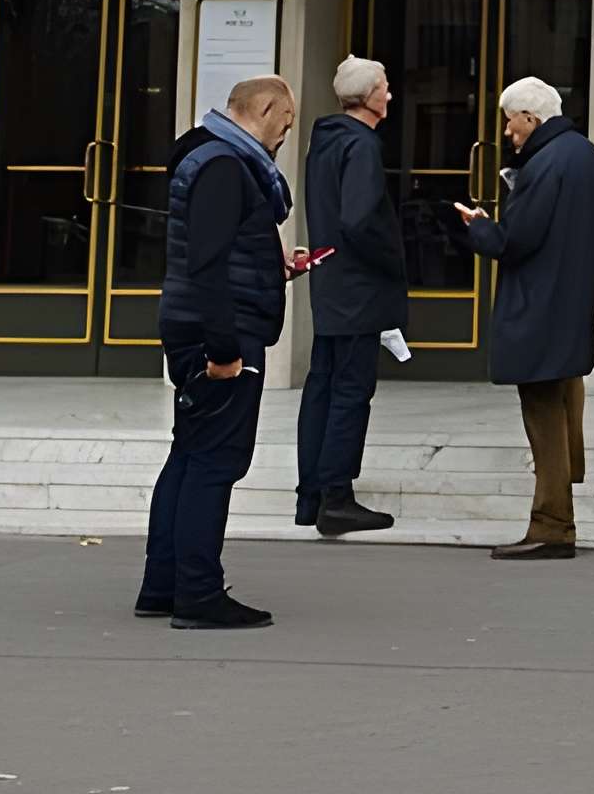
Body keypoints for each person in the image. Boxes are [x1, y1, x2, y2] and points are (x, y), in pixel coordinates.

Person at [139, 74, 299, 630]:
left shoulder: (212, 158)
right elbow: (206, 263)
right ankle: (199, 595)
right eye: (286, 119)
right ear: (265, 108)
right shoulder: (225, 166)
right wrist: (226, 349)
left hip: (200, 323)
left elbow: (215, 250)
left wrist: (271, 267)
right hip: (217, 333)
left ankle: (163, 587)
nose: (286, 133)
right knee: (214, 461)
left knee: (190, 454)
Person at [456, 77, 594, 559]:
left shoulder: (546, 163)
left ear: (531, 118)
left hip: (539, 305)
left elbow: (516, 241)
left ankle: (552, 525)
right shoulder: (585, 153)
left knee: (542, 413)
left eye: (510, 119)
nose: (506, 131)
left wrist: (480, 227)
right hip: (571, 300)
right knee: (565, 401)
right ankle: (564, 494)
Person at [297, 54, 404, 535]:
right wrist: (393, 261)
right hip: (359, 286)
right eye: (384, 86)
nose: (390, 94)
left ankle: (312, 496)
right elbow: (360, 219)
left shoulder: (325, 141)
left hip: (332, 281)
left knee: (322, 385)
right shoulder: (362, 145)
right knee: (351, 391)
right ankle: (337, 497)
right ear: (369, 97)